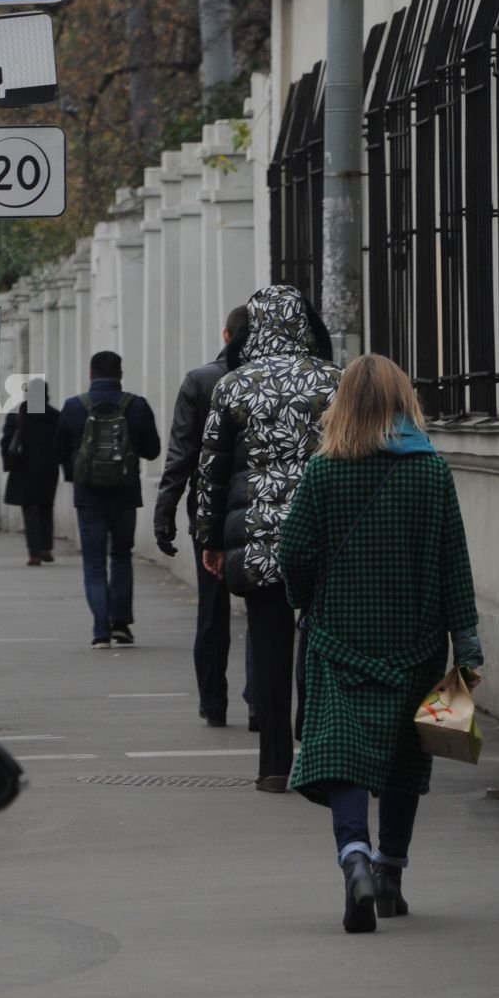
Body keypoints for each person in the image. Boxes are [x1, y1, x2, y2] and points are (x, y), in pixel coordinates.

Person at [279, 354, 479, 934]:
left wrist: (306, 597)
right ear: (401, 399)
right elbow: (454, 565)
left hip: (339, 642)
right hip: (416, 645)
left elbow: (294, 554)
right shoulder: (431, 471)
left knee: (340, 755)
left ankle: (355, 859)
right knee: (404, 757)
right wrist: (467, 648)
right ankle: (391, 875)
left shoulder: (324, 471)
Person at [194, 284, 340, 792]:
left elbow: (210, 471)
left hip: (256, 540)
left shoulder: (233, 386)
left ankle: (274, 765)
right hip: (325, 536)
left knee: (269, 649)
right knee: (323, 647)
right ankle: (321, 752)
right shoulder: (336, 383)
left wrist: (210, 539)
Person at [154, 305, 253, 726]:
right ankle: (261, 704)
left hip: (211, 514)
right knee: (266, 609)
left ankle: (213, 704)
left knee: (211, 613)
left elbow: (182, 454)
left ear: (225, 335)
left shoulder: (200, 380)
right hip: (261, 512)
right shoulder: (274, 381)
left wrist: (165, 509)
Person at [55, 351, 161, 649]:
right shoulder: (136, 405)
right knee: (121, 556)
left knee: (94, 563)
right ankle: (121, 625)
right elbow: (152, 450)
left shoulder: (74, 407)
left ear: (91, 374)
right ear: (120, 374)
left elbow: (58, 450)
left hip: (88, 496)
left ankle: (100, 631)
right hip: (125, 494)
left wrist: (78, 471)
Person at [0, 376, 60, 566]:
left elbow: (6, 442)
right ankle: (45, 548)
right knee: (46, 507)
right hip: (48, 469)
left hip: (24, 468)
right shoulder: (55, 415)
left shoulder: (17, 415)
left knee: (30, 511)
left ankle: (34, 553)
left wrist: (9, 462)